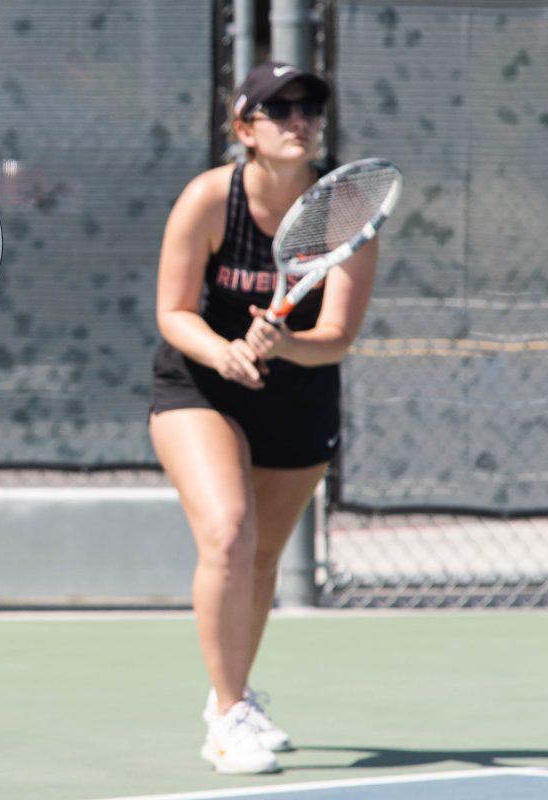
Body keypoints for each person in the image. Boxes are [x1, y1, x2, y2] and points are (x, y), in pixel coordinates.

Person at [149, 62, 379, 775]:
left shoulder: (348, 210)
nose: (299, 120)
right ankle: (225, 719)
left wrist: (285, 344)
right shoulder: (208, 199)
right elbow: (173, 311)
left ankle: (235, 697)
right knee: (227, 533)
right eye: (278, 109)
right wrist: (225, 354)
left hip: (299, 395)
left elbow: (338, 335)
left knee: (260, 560)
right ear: (244, 129)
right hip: (199, 386)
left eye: (309, 107)